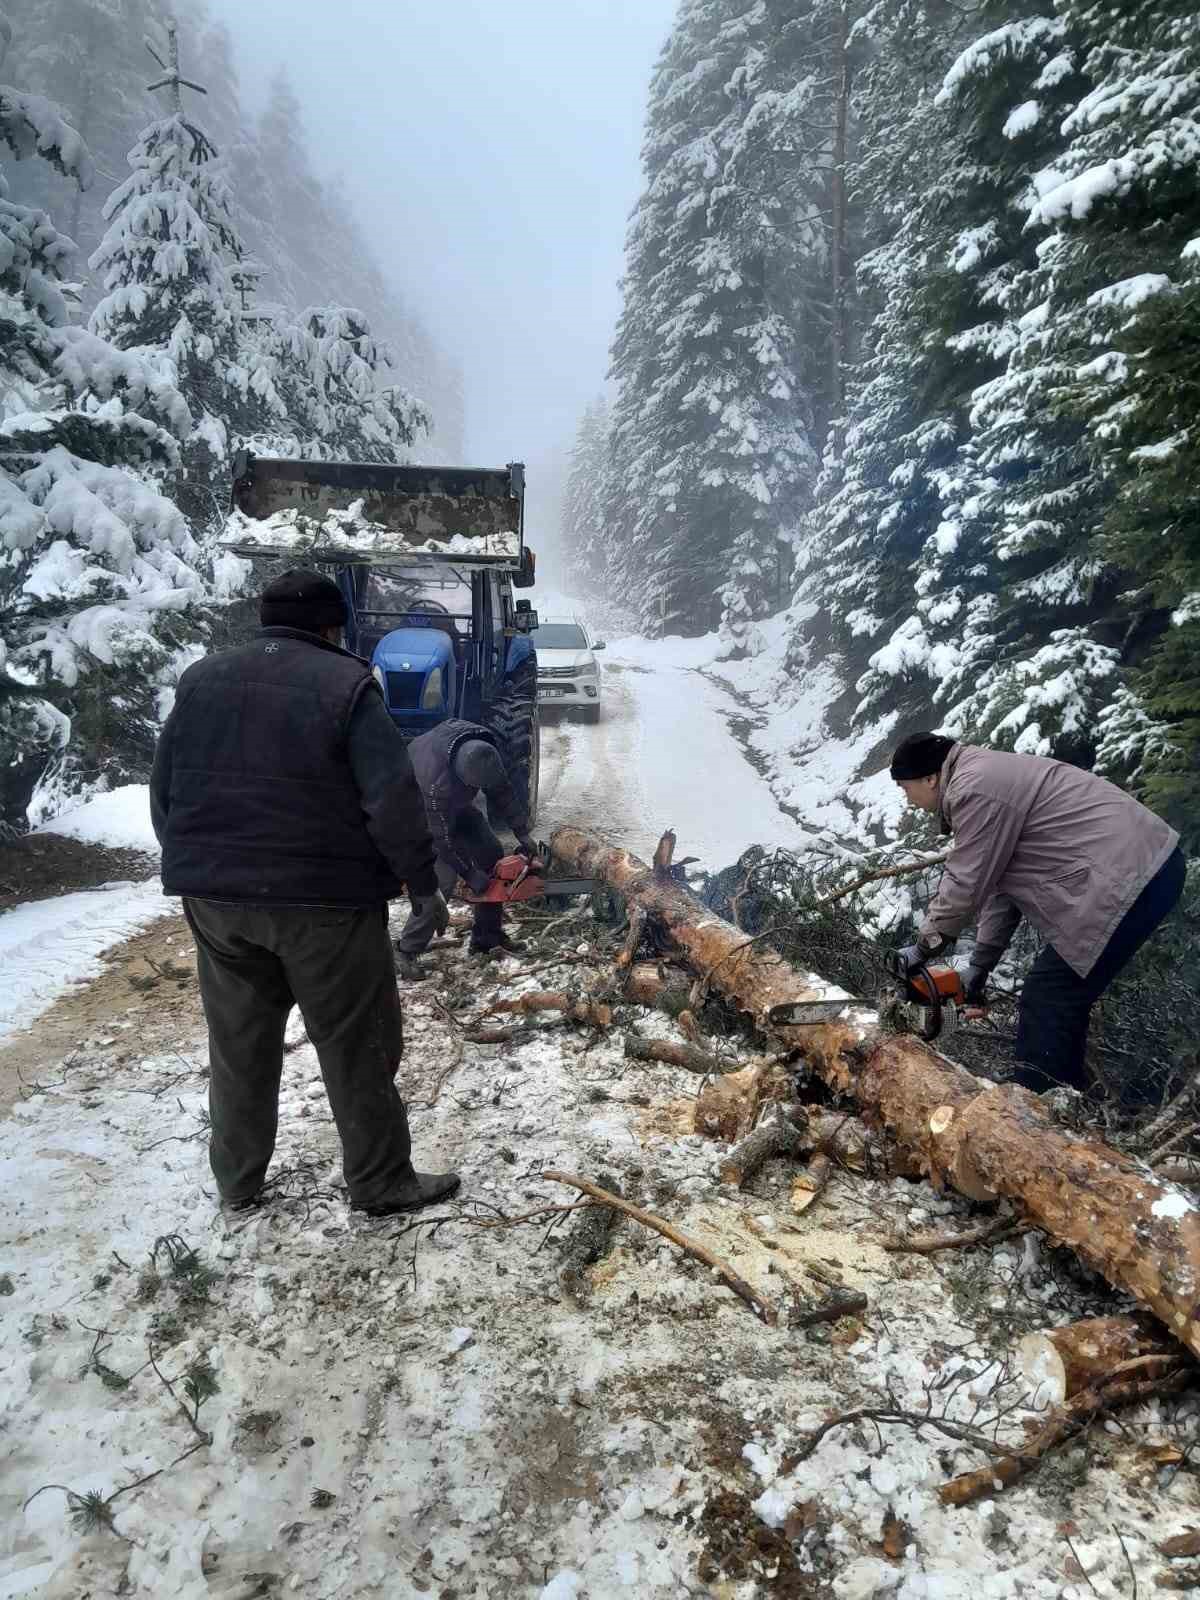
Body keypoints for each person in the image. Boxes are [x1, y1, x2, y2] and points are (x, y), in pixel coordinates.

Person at [150, 568, 460, 1216]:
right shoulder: (348, 686)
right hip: (323, 906)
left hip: (217, 906)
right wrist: (423, 886)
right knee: (358, 1042)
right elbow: (392, 800)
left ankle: (238, 1182)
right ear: (333, 626)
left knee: (238, 1047)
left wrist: (206, 868)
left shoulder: (201, 681)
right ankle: (379, 1181)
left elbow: (165, 793)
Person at [890, 731, 1185, 1096]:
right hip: (1142, 866)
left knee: (1049, 996)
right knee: (1060, 998)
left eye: (905, 788)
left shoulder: (975, 787)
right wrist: (979, 968)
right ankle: (1069, 1104)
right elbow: (1000, 889)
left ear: (930, 777)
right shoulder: (982, 775)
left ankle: (1035, 1112)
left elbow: (965, 881)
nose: (907, 799)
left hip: (1130, 874)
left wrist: (923, 948)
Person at [396, 718, 538, 979]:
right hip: (419, 816)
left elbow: (503, 792)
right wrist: (470, 874)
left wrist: (522, 832)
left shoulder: (485, 753)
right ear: (461, 777)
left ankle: (485, 938)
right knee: (441, 880)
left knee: (492, 853)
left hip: (456, 807)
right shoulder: (434, 780)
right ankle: (406, 950)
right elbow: (443, 840)